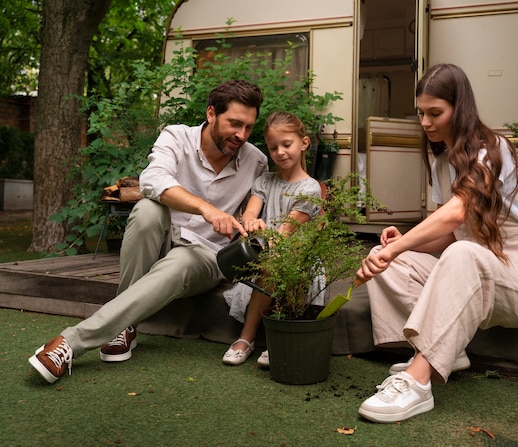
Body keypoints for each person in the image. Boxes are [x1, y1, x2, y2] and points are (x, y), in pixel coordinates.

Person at [355, 64, 518, 423]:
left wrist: (398, 246)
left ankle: (418, 384)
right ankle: (446, 350)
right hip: (481, 269)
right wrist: (401, 246)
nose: (425, 122)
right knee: (386, 258)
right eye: (421, 113)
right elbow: (449, 233)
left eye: (435, 113)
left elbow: (455, 215)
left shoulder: (492, 150)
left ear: (460, 108)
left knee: (462, 253)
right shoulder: (441, 162)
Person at [29, 80, 269, 383]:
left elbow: (257, 210)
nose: (241, 135)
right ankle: (124, 327)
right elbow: (152, 181)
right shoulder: (177, 137)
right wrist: (206, 209)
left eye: (248, 127)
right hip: (163, 236)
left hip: (206, 255)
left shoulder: (256, 161)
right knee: (147, 209)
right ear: (211, 113)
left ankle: (71, 342)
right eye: (235, 124)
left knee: (180, 263)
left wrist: (252, 222)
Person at [221, 111, 322, 367]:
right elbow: (251, 213)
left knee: (277, 263)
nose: (280, 152)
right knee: (270, 263)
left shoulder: (309, 188)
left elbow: (287, 231)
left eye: (286, 145)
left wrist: (269, 242)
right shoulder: (265, 181)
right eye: (273, 147)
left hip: (297, 258)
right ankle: (248, 339)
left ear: (304, 143)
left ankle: (268, 337)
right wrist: (251, 222)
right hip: (269, 254)